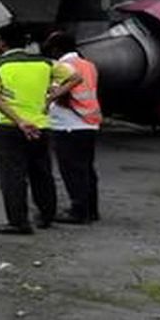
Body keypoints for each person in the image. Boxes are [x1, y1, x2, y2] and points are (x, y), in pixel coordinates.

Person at [0, 24, 79, 235]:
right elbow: (75, 78)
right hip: (41, 126)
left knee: (13, 176)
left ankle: (18, 222)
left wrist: (19, 120)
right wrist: (52, 96)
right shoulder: (45, 63)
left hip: (11, 128)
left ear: (2, 43)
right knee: (42, 172)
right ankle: (46, 216)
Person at [43, 32, 102, 223]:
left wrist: (47, 101)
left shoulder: (64, 67)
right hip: (89, 122)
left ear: (57, 49)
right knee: (86, 169)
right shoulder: (89, 65)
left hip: (68, 124)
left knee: (71, 170)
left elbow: (59, 93)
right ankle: (91, 210)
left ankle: (78, 211)